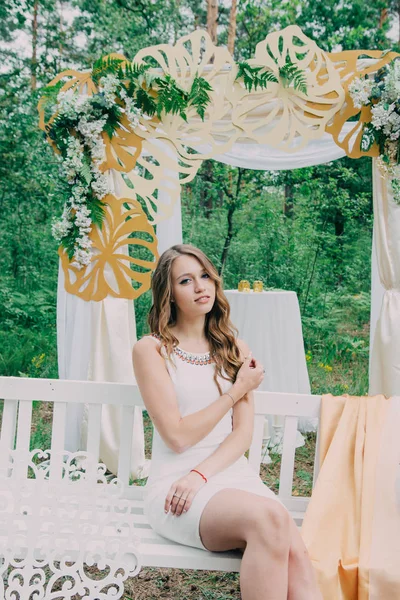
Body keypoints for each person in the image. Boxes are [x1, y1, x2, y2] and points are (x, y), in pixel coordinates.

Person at [132, 244, 321, 600]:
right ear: (168, 294)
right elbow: (176, 436)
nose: (201, 286)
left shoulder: (235, 347)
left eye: (205, 276)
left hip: (228, 474)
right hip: (176, 487)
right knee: (271, 520)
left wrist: (202, 474)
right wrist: (236, 392)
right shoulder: (152, 350)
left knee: (292, 545)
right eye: (186, 281)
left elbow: (243, 433)